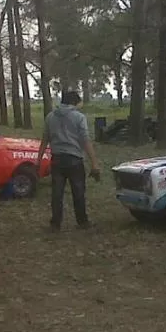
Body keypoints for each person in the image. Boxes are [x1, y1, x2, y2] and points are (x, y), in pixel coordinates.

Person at [36, 90, 101, 231]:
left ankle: (55, 224)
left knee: (56, 193)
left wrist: (38, 160)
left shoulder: (50, 117)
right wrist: (94, 163)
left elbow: (44, 140)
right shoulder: (79, 117)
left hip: (57, 159)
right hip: (74, 159)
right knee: (78, 192)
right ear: (74, 102)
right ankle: (82, 222)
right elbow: (85, 140)